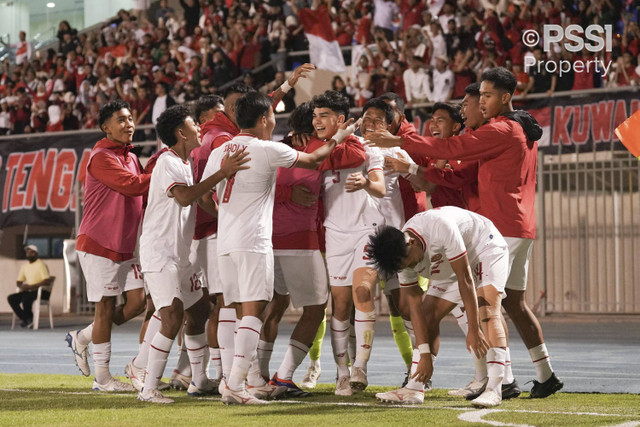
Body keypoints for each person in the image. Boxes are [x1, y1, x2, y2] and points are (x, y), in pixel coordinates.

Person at [366, 67, 564, 398]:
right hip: (517, 224)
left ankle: (497, 381)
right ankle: (544, 374)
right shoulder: (518, 127)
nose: (478, 105)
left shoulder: (501, 129)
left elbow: (454, 153)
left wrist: (401, 143)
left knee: (480, 305)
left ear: (504, 97)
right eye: (478, 98)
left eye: (483, 98)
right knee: (513, 304)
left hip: (497, 230)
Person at [200, 91, 358, 405]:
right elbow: (314, 159)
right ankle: (236, 385)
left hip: (226, 242)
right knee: (254, 311)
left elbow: (205, 197)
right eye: (272, 116)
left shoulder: (221, 150)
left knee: (233, 308)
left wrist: (226, 215)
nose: (275, 121)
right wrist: (341, 135)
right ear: (263, 119)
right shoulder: (266, 149)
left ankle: (234, 378)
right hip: (254, 241)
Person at [137, 105, 250, 404]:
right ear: (180, 132)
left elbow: (198, 199)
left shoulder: (184, 164)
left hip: (180, 255)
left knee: (200, 311)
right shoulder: (166, 162)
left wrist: (223, 213)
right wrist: (222, 173)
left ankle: (198, 379)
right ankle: (148, 387)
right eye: (194, 125)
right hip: (160, 255)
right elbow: (186, 198)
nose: (200, 128)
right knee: (171, 317)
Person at [368, 206, 510, 408]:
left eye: (408, 263)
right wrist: (424, 353)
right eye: (402, 267)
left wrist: (472, 329)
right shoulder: (401, 255)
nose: (408, 268)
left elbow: (466, 280)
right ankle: (415, 388)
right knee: (427, 317)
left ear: (412, 242)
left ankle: (495, 389)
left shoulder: (439, 227)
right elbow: (414, 305)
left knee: (487, 310)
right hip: (448, 263)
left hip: (484, 248)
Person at [65, 100, 150, 392]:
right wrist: (166, 171)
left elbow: (141, 191)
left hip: (127, 246)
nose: (128, 124)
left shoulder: (130, 156)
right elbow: (133, 186)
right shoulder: (101, 156)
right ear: (106, 128)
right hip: (100, 244)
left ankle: (84, 337)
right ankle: (102, 379)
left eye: (130, 119)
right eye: (121, 120)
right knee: (105, 308)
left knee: (138, 303)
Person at [311, 90, 386, 396]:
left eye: (324, 115)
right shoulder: (315, 152)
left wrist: (367, 182)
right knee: (339, 306)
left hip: (367, 229)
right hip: (335, 233)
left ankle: (361, 368)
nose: (317, 121)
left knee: (363, 291)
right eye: (315, 116)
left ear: (340, 120)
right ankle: (342, 373)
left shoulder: (368, 150)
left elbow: (380, 187)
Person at [8, 245, 51, 328]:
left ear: (35, 253)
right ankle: (27, 318)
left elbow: (47, 281)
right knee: (11, 298)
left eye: (30, 252)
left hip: (41, 291)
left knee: (26, 299)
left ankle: (27, 319)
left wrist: (33, 286)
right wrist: (23, 286)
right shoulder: (25, 266)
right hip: (29, 291)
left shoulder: (41, 264)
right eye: (27, 252)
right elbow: (19, 282)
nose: (28, 254)